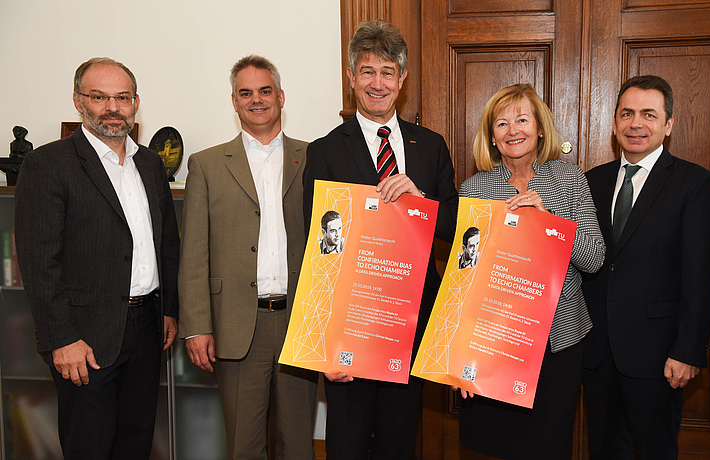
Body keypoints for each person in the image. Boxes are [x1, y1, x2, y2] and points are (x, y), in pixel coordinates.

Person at [303, 20, 459, 459]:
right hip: (350, 330)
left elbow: (453, 223)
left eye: (387, 72)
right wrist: (325, 344)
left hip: (410, 325)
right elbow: (317, 248)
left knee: (398, 443)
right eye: (367, 71)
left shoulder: (430, 146)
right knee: (348, 445)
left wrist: (420, 200)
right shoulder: (326, 151)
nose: (377, 83)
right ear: (351, 77)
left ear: (402, 79)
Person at [14, 57, 179, 458]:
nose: (112, 107)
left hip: (146, 329)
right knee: (90, 445)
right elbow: (39, 262)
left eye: (122, 97)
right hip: (84, 336)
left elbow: (167, 244)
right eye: (99, 97)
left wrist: (169, 310)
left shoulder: (150, 164)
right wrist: (62, 339)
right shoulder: (48, 165)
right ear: (78, 101)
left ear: (135, 102)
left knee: (136, 441)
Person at [178, 55, 317, 459]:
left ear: (281, 96)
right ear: (235, 103)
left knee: (298, 446)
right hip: (236, 324)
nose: (256, 100)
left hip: (299, 322)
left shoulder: (313, 157)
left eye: (264, 91)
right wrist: (197, 326)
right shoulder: (205, 165)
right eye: (246, 93)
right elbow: (194, 254)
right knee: (244, 445)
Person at [458, 83, 605, 459]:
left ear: (540, 127)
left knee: (548, 446)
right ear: (491, 136)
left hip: (558, 346)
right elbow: (464, 278)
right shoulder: (473, 189)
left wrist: (548, 224)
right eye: (502, 123)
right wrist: (462, 357)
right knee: (495, 446)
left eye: (522, 119)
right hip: (493, 344)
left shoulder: (570, 179)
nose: (513, 131)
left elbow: (594, 258)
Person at [579, 75, 710, 459]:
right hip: (597, 350)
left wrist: (689, 350)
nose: (635, 124)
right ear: (613, 123)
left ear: (668, 124)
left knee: (655, 451)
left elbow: (700, 275)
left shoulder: (697, 185)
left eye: (648, 114)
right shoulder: (592, 181)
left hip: (659, 355)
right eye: (626, 114)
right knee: (604, 450)